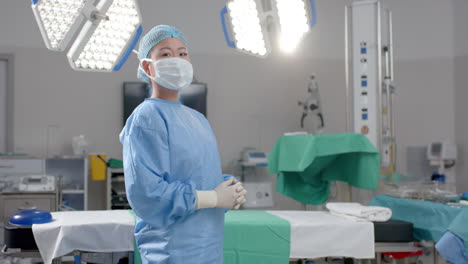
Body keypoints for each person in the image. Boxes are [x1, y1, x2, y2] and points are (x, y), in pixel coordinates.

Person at [120, 25, 247, 263]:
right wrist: (213, 198)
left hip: (209, 246)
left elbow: (200, 178)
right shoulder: (146, 117)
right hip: (173, 250)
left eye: (183, 53)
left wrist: (228, 187)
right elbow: (147, 194)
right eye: (166, 54)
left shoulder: (198, 120)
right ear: (148, 66)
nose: (177, 59)